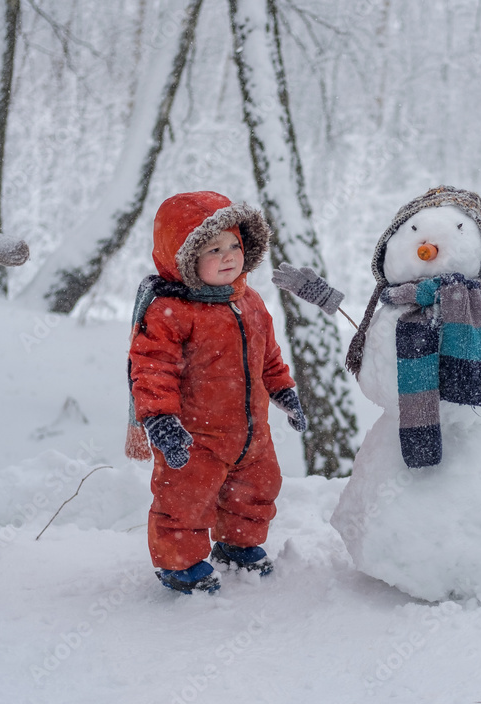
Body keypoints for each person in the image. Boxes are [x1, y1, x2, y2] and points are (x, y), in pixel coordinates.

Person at [125, 191, 307, 594]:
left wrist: (283, 390)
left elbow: (269, 357)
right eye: (212, 248)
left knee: (257, 489)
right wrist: (160, 420)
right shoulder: (171, 311)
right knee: (184, 499)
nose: (228, 256)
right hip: (194, 437)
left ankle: (238, 546)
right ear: (184, 258)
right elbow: (152, 370)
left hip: (251, 432)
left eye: (234, 246)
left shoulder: (251, 302)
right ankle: (180, 564)